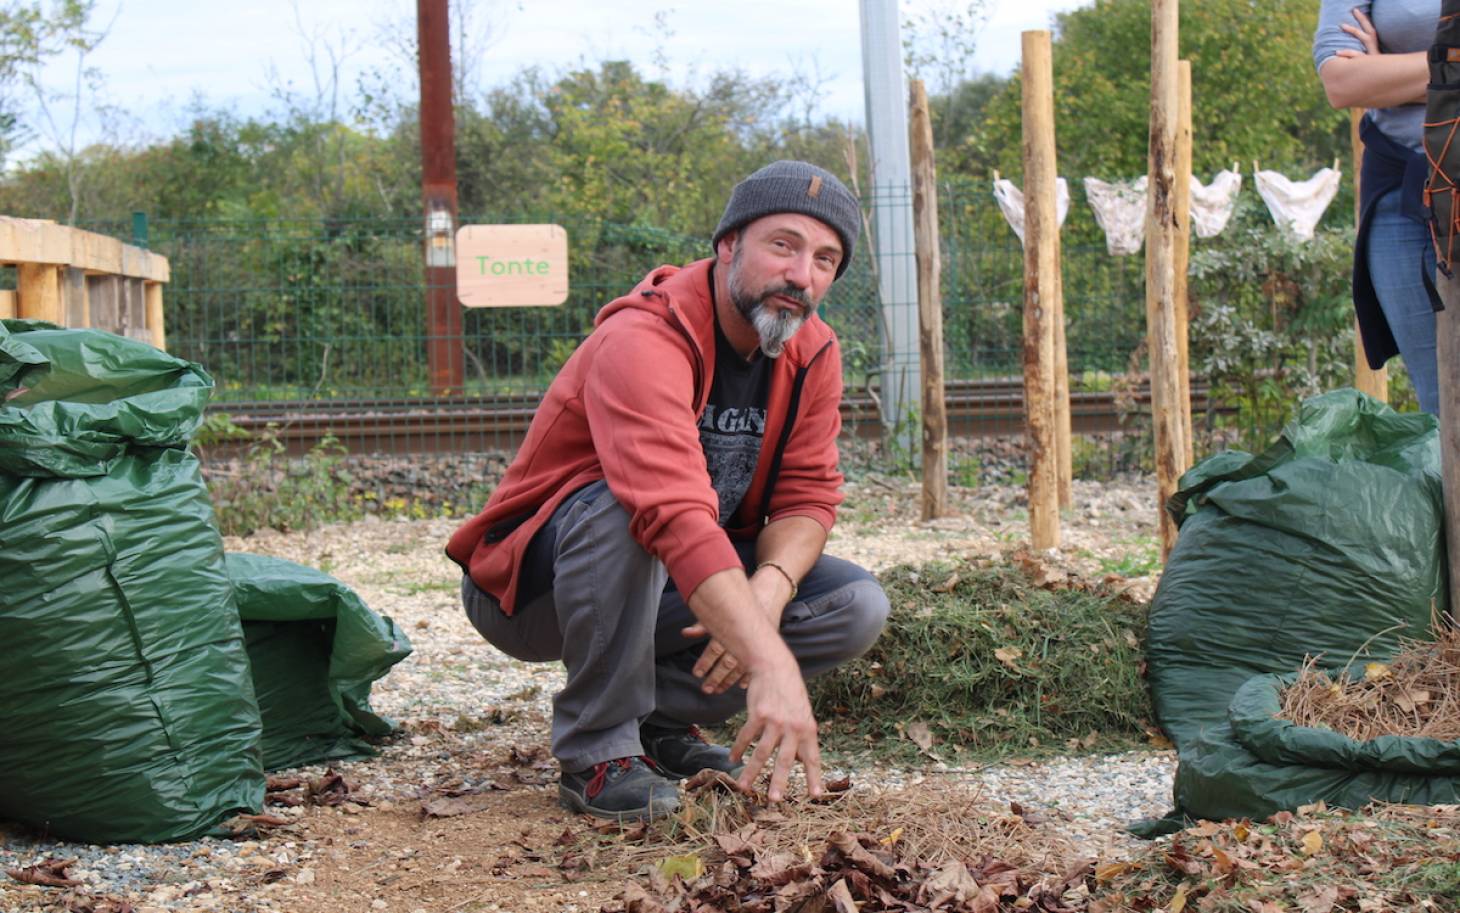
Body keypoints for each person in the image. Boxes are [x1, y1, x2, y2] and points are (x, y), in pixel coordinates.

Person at [446, 161, 891, 822]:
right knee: (624, 509)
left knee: (855, 606)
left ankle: (655, 724)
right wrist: (768, 662)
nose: (803, 274)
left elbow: (807, 498)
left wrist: (768, 591)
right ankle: (597, 751)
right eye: (783, 245)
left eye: (825, 259)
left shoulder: (814, 351)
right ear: (728, 246)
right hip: (532, 589)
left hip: (668, 579)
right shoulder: (643, 336)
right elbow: (672, 513)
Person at [1314, 1, 1442, 414]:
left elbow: (1367, 80)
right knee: (1444, 401)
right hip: (1401, 198)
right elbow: (1343, 84)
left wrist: (1391, 70)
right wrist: (1449, 66)